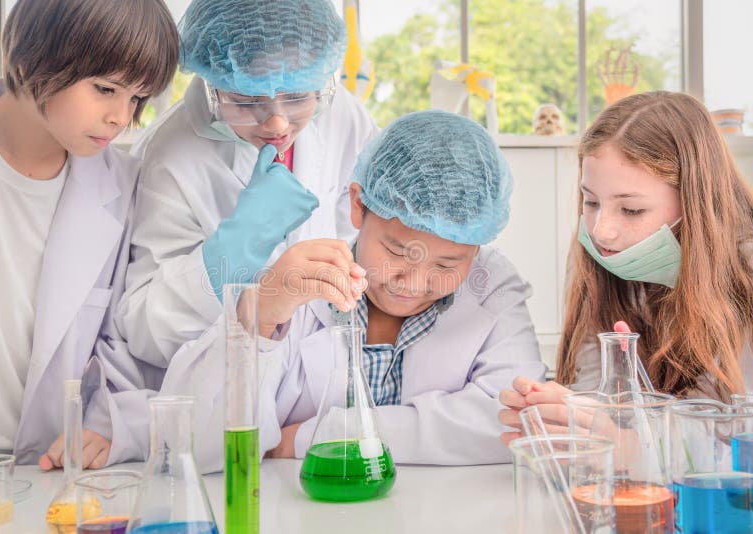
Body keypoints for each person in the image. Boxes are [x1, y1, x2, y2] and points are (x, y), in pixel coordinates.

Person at [159, 110, 546, 471]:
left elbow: (515, 423)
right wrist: (257, 320)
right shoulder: (302, 279)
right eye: (397, 251)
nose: (411, 284)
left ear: (477, 247)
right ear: (359, 204)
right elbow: (195, 439)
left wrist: (318, 437)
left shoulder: (492, 286)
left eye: (447, 265)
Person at [0, 0, 179, 466]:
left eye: (137, 98)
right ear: (27, 57)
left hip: (56, 472)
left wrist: (108, 422)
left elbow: (126, 339)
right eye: (105, 88)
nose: (121, 116)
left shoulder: (127, 188)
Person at [116, 0, 379, 368]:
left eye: (297, 97)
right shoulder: (169, 155)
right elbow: (146, 331)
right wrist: (236, 249)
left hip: (328, 373)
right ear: (212, 84)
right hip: (227, 382)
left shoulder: (343, 116)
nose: (277, 125)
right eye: (246, 99)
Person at [499, 91, 753, 443]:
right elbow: (594, 392)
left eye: (632, 210)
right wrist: (563, 415)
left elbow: (736, 431)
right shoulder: (601, 257)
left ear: (696, 203)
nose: (601, 229)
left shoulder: (746, 271)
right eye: (590, 201)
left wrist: (631, 449)